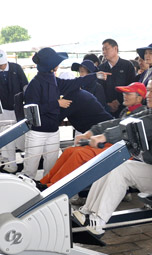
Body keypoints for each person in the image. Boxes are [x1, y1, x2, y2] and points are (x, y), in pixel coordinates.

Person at [74, 73, 152, 234]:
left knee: (122, 170)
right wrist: (92, 131)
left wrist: (105, 136)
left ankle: (98, 220)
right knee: (110, 162)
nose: (148, 95)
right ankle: (87, 212)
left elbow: (144, 126)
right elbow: (122, 122)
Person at [40, 82, 147, 188]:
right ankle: (44, 182)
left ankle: (51, 187)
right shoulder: (127, 112)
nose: (124, 96)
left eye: (128, 94)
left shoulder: (141, 114)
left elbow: (122, 130)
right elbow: (111, 123)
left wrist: (104, 136)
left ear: (139, 98)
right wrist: (90, 132)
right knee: (70, 150)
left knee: (79, 155)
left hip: (126, 152)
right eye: (124, 93)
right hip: (115, 146)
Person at [23, 47, 96, 179]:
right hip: (37, 132)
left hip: (53, 131)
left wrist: (95, 76)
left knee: (51, 167)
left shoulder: (53, 79)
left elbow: (74, 83)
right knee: (30, 167)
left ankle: (45, 190)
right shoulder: (35, 84)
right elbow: (31, 110)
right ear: (51, 66)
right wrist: (57, 104)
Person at [0, 49, 29, 172]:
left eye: (3, 64)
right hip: (1, 109)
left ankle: (23, 155)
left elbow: (25, 85)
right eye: (0, 65)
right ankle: (7, 160)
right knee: (3, 133)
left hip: (17, 107)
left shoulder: (16, 68)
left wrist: (26, 99)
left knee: (19, 132)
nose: (2, 67)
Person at [98, 39, 137, 117]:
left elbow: (131, 85)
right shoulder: (101, 68)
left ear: (115, 48)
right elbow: (99, 88)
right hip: (106, 108)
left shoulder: (127, 65)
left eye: (106, 48)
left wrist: (119, 101)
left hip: (124, 107)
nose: (104, 52)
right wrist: (107, 104)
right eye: (103, 49)